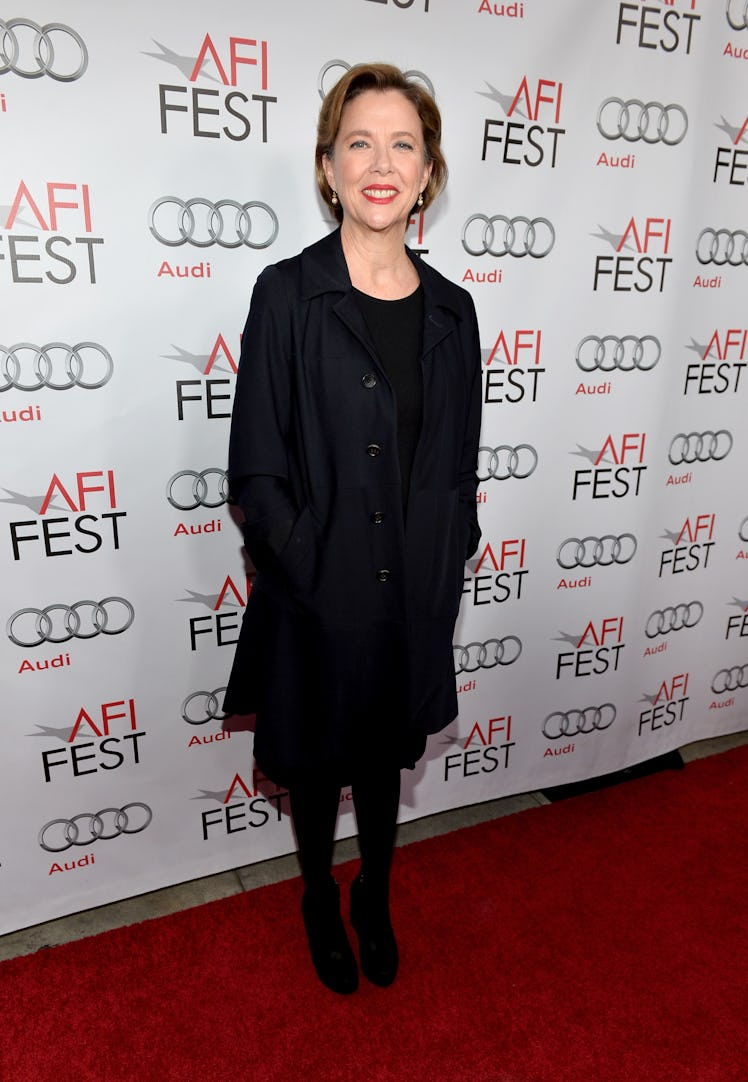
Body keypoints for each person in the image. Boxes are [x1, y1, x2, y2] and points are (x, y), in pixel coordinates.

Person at [224, 62, 482, 995]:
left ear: (428, 170)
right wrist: (304, 565)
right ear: (329, 167)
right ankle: (315, 893)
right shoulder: (288, 295)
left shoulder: (455, 310)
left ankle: (375, 890)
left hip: (412, 595)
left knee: (381, 760)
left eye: (403, 143)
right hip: (315, 593)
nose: (382, 162)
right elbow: (255, 463)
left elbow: (459, 465)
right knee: (315, 759)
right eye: (359, 142)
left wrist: (450, 552)